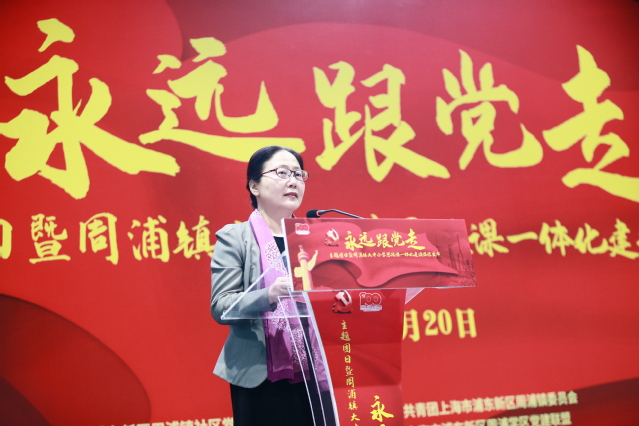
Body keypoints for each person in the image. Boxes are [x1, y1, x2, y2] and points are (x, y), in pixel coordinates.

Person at [210, 146, 316, 426]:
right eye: (282, 173)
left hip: (315, 371)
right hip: (259, 375)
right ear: (254, 186)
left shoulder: (315, 238)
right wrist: (268, 294)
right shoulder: (235, 238)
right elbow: (221, 306)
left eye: (298, 174)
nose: (293, 181)